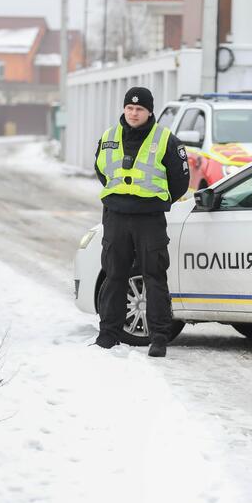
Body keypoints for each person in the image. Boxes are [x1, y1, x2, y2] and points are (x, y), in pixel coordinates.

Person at [93, 87, 190, 357]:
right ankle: (107, 335)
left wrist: (156, 200)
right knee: (114, 276)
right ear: (124, 109)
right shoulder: (108, 137)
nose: (134, 113)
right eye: (130, 108)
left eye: (140, 109)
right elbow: (102, 171)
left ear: (150, 111)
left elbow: (180, 181)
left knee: (154, 277)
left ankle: (159, 337)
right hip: (116, 216)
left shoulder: (167, 140)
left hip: (149, 218)